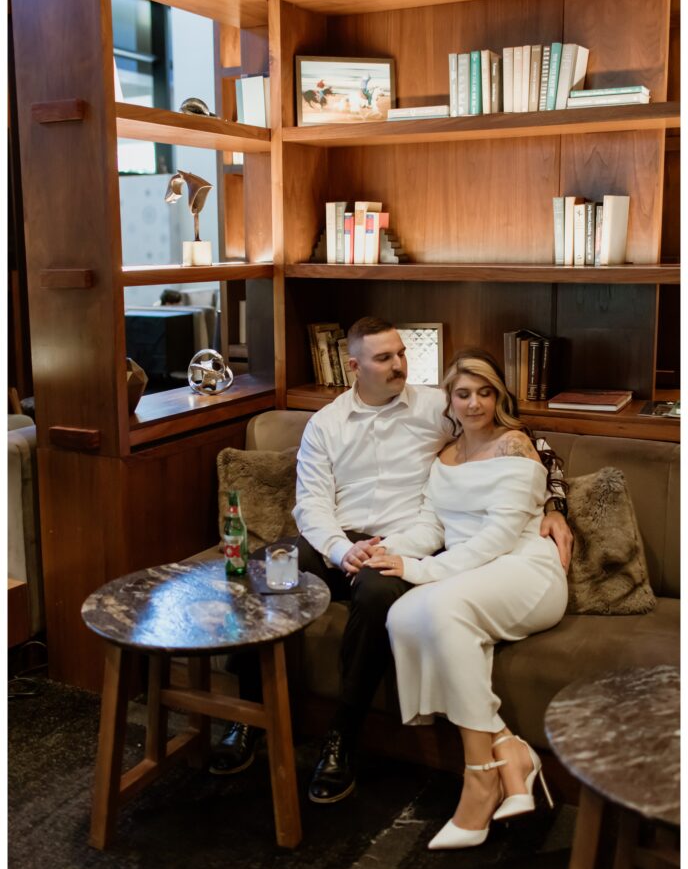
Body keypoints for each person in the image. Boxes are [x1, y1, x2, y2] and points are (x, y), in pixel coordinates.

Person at [209, 319, 573, 805]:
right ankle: (248, 713)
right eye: (384, 358)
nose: (399, 364)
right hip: (336, 541)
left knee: (379, 592)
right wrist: (342, 550)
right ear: (354, 366)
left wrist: (554, 507)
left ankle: (342, 737)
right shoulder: (326, 424)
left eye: (401, 354)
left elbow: (519, 439)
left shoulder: (436, 407)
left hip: (408, 541)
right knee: (263, 567)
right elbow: (310, 504)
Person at [362, 349, 569, 849]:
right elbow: (433, 525)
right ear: (449, 401)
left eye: (484, 392)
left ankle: (479, 778)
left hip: (526, 566)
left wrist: (421, 570)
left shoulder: (515, 445)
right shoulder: (445, 456)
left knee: (442, 606)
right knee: (404, 614)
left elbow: (498, 537)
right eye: (463, 393)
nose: (474, 403)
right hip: (473, 570)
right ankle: (509, 749)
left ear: (498, 397)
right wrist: (388, 551)